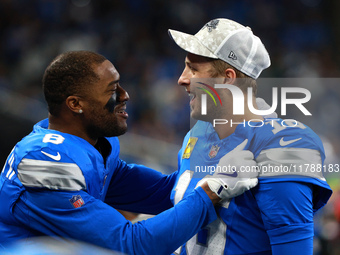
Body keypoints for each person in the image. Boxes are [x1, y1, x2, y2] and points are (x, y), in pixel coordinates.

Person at [0, 51, 258, 255]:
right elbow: (132, 246)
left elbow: (164, 192)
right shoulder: (43, 161)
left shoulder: (93, 144)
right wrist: (212, 189)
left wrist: (213, 160)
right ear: (75, 104)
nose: (126, 95)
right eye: (113, 90)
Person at [168, 18, 333, 254]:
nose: (182, 79)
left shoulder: (284, 145)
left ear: (227, 78)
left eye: (193, 69)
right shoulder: (197, 133)